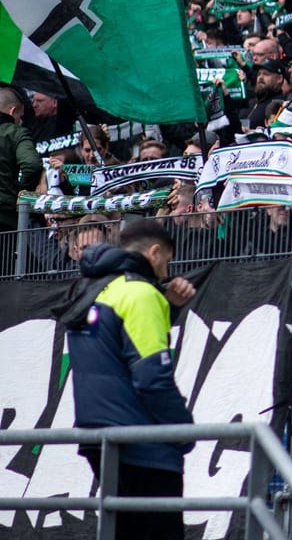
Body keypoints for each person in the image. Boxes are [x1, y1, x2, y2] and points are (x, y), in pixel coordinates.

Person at [61, 217, 195, 540]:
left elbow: (114, 350)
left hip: (100, 439)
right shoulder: (140, 294)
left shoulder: (93, 288)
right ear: (154, 253)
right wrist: (186, 431)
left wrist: (168, 306)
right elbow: (152, 379)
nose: (167, 271)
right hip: (144, 445)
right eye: (167, 260)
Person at [0, 87, 44, 222]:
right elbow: (32, 165)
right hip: (4, 214)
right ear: (12, 111)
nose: (21, 121)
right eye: (21, 116)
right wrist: (21, 191)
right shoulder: (15, 132)